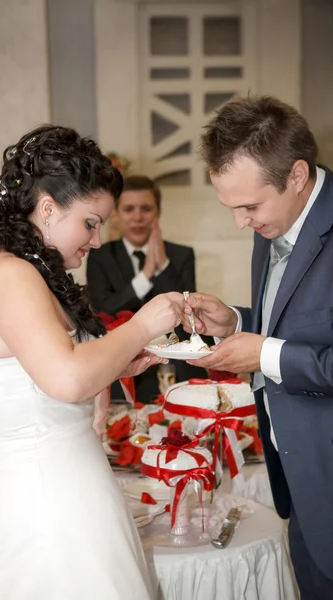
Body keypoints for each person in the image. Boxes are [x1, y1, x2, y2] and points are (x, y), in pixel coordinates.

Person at [0, 126, 184, 600]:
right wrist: (143, 324)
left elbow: (67, 367)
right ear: (48, 209)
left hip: (75, 497)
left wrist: (117, 361)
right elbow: (68, 379)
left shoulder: (36, 277)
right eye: (90, 223)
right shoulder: (10, 274)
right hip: (45, 514)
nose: (95, 241)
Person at [183, 95, 333, 599]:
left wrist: (264, 356)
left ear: (296, 175)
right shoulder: (272, 223)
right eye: (231, 208)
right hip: (304, 487)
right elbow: (299, 324)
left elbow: (283, 349)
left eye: (249, 206)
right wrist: (237, 322)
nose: (240, 223)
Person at [87, 175, 207, 401]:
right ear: (116, 214)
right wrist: (145, 275)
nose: (138, 217)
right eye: (129, 209)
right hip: (123, 368)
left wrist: (162, 266)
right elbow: (103, 309)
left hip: (174, 368)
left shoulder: (181, 255)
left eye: (146, 209)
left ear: (158, 212)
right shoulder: (100, 255)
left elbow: (187, 314)